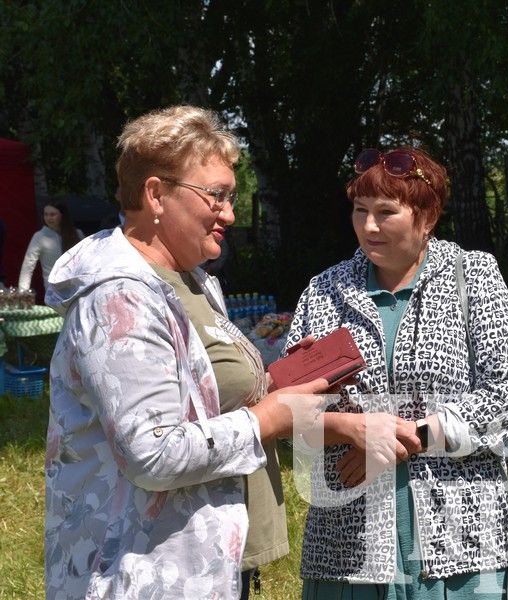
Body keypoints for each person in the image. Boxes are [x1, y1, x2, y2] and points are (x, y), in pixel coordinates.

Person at [43, 105, 329, 599]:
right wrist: (267, 419)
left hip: (193, 567)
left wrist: (274, 382)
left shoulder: (192, 280)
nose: (231, 214)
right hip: (139, 574)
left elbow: (198, 394)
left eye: (232, 196)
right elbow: (151, 453)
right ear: (155, 194)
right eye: (215, 195)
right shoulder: (120, 298)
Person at [283, 146, 508, 598]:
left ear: (427, 217)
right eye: (360, 211)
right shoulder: (324, 291)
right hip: (347, 546)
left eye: (386, 212)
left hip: (460, 544)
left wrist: (402, 439)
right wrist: (320, 399)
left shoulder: (472, 276)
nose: (369, 226)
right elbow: (289, 419)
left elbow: (505, 401)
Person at [18, 200, 84, 298]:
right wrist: (23, 292)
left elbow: (88, 261)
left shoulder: (77, 234)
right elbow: (28, 265)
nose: (48, 218)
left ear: (62, 215)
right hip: (54, 292)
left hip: (78, 289)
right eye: (46, 214)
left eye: (53, 214)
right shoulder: (39, 236)